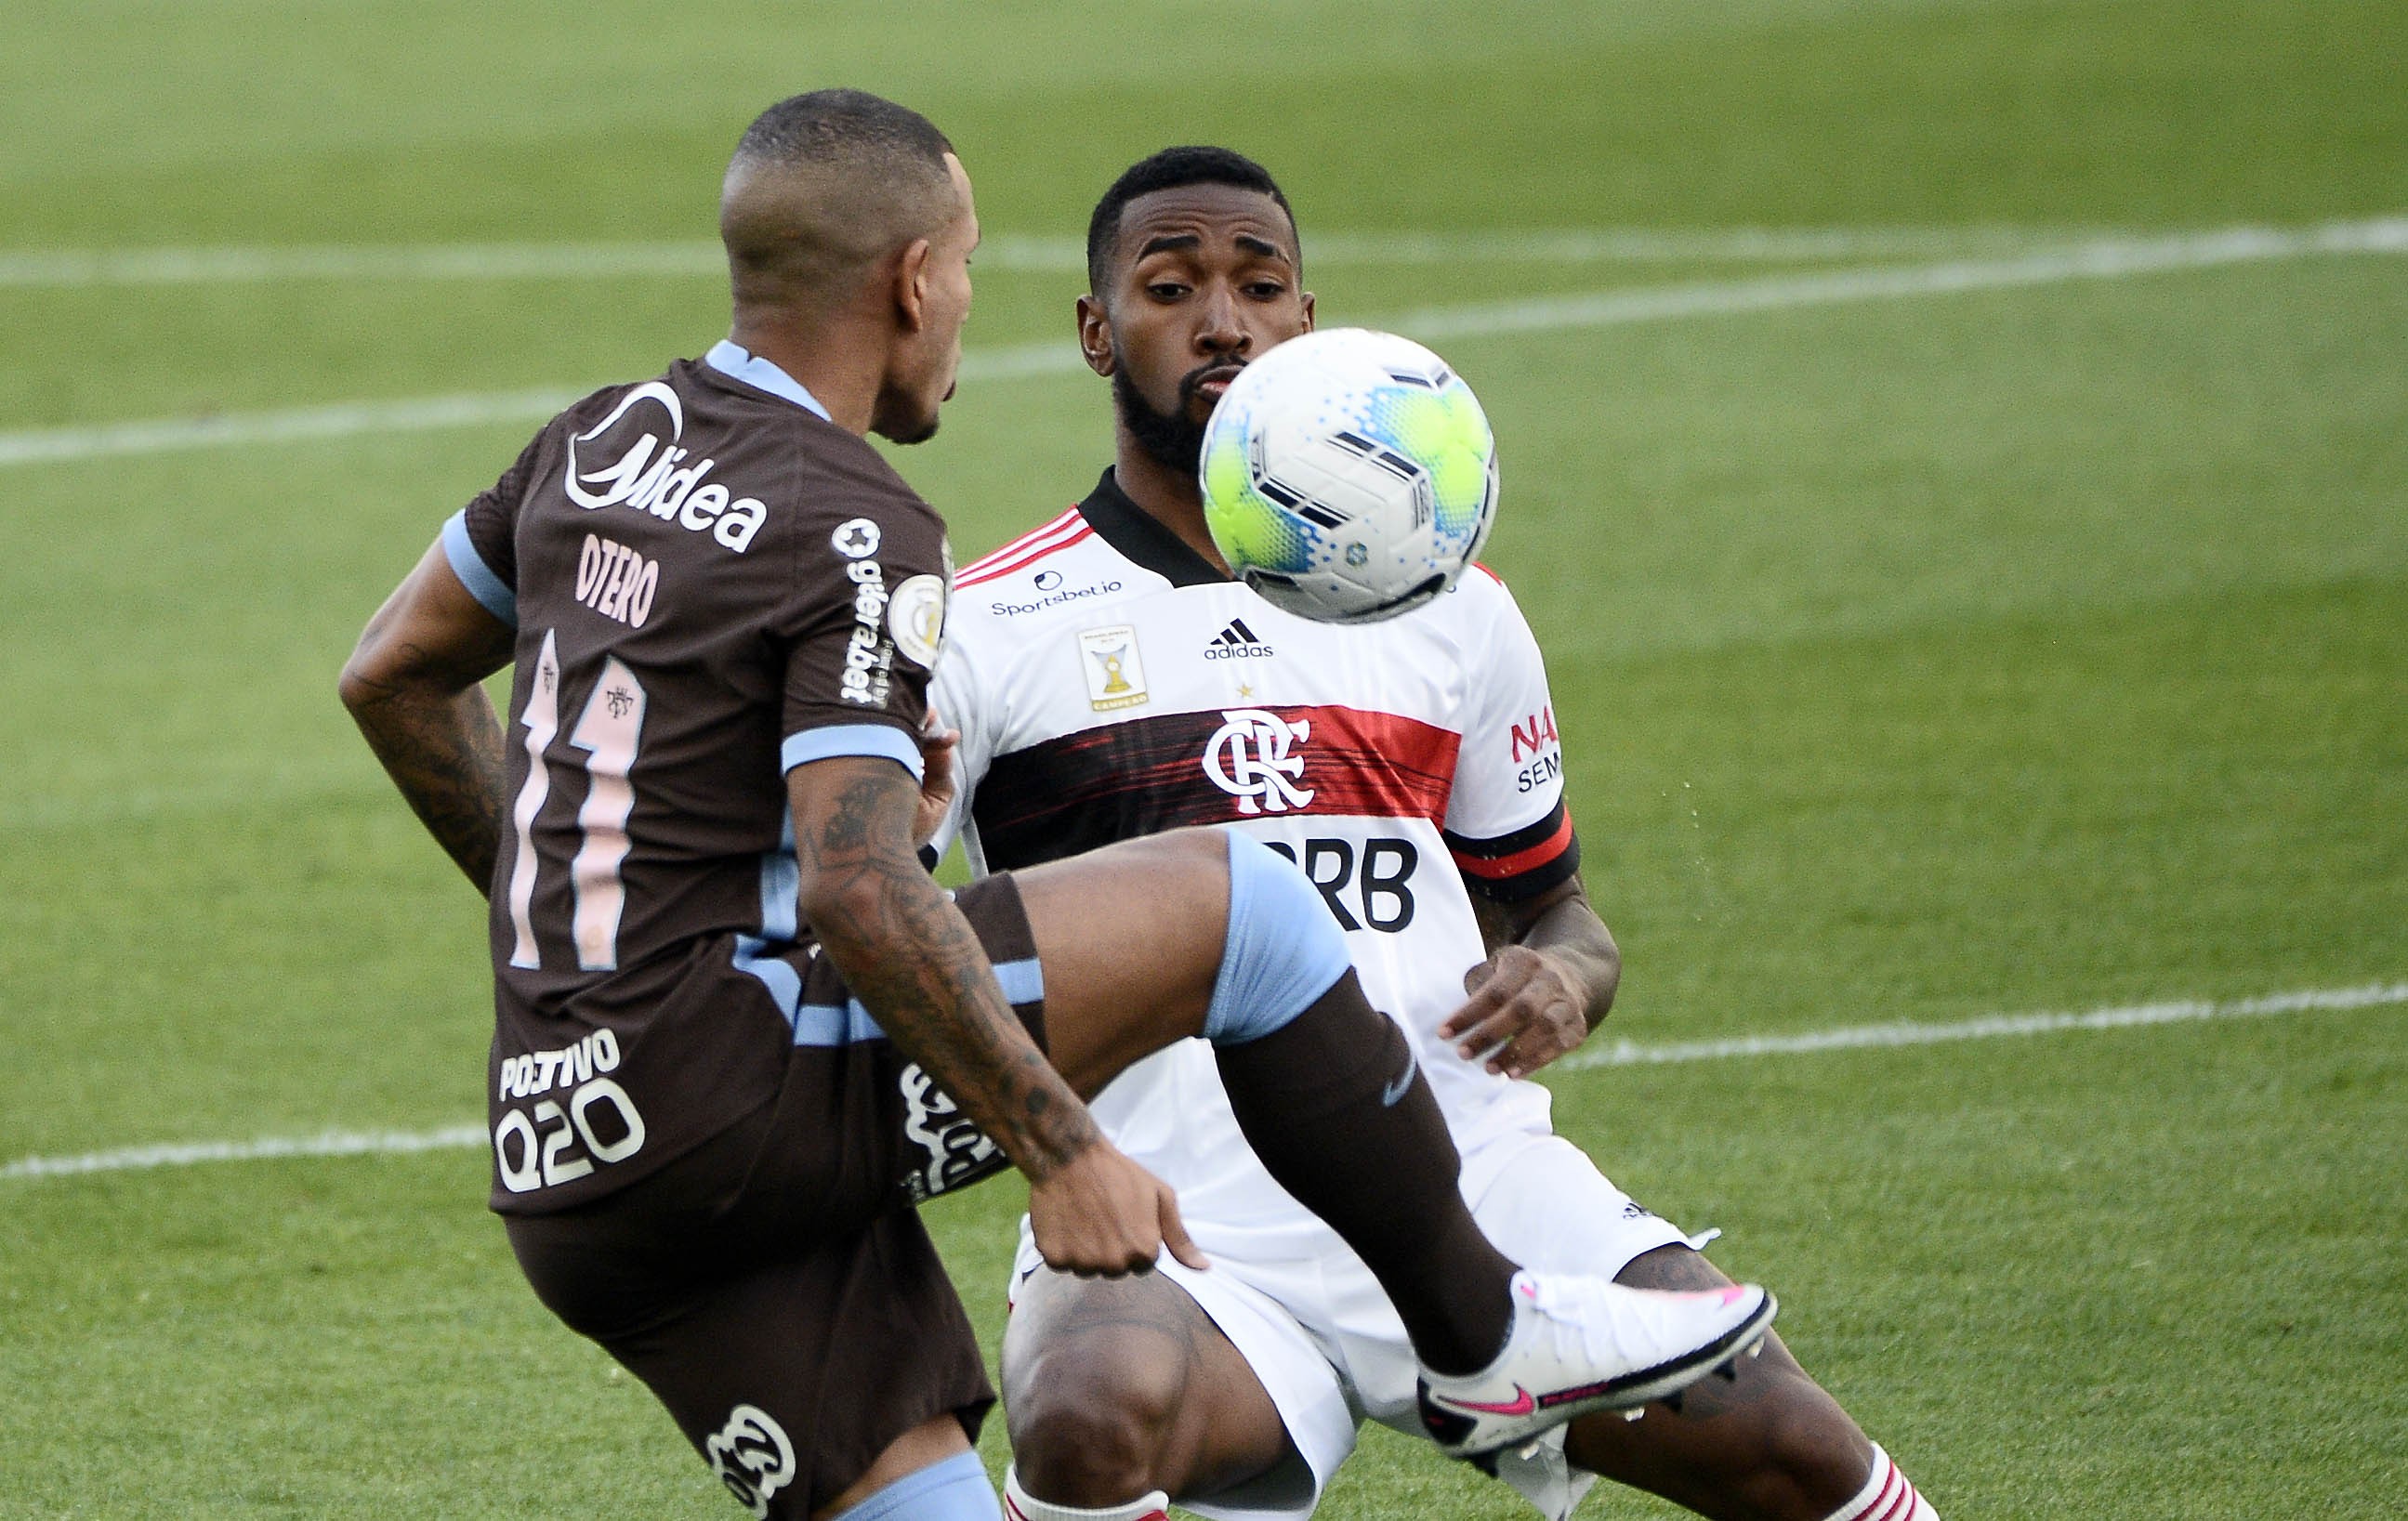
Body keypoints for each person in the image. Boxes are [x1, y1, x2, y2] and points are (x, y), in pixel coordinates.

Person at [338, 95, 1773, 1521]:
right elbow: (858, 883)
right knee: (1248, 909)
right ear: (912, 281)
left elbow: (390, 674)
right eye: (962, 269)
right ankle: (1485, 1342)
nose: (964, 306)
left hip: (572, 1158)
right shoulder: (859, 523)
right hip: (751, 1095)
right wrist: (1066, 1150)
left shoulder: (589, 446)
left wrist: (592, 938)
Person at [927, 147, 1941, 1521]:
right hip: (1181, 1226)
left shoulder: (1452, 606)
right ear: (1099, 331)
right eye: (1171, 288)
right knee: (1084, 1420)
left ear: (1305, 319)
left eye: (1259, 285)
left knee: (1796, 1447)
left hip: (1473, 1185)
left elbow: (1558, 912)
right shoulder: (994, 625)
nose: (1221, 320)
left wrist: (1564, 977)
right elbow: (889, 916)